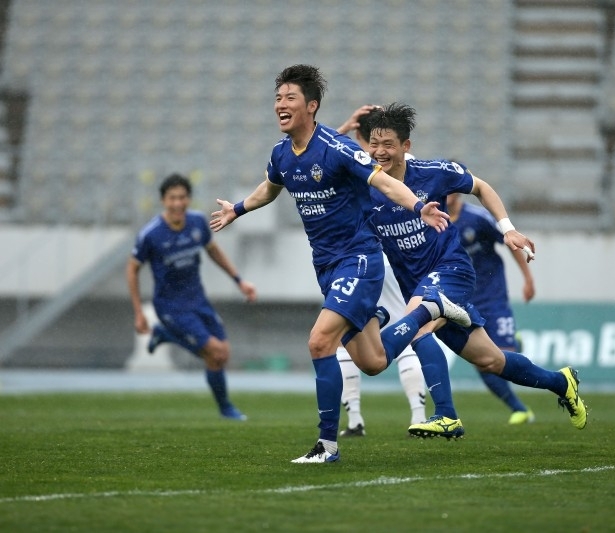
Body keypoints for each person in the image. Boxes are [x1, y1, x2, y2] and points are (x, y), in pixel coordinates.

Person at [209, 65, 473, 464]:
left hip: (360, 260)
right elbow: (269, 188)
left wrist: (419, 206)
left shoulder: (336, 147)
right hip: (328, 265)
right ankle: (428, 313)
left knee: (319, 341)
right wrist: (238, 209)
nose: (281, 104)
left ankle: (326, 446)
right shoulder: (282, 154)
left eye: (290, 97)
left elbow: (383, 181)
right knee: (372, 362)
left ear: (311, 106)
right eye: (278, 98)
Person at [364, 102, 587, 438]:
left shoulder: (434, 172)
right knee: (492, 361)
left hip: (452, 271)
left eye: (388, 145)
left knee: (419, 325)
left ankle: (446, 415)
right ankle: (562, 382)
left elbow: (481, 187)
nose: (379, 152)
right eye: (374, 144)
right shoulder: (366, 188)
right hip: (421, 285)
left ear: (406, 146)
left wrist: (508, 227)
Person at [126, 173, 256, 421]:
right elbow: (132, 269)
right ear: (163, 200)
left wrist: (239, 281)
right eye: (172, 198)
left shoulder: (197, 222)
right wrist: (138, 312)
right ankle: (226, 408)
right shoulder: (151, 234)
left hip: (198, 300)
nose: (178, 203)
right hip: (170, 307)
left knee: (223, 354)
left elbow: (213, 250)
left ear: (188, 199)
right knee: (215, 352)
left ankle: (164, 335)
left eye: (182, 197)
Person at [335, 105, 428, 436]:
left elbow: (322, 155)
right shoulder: (407, 167)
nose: (378, 149)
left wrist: (344, 127)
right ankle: (418, 416)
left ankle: (355, 419)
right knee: (405, 334)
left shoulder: (358, 167)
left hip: (367, 261)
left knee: (342, 335)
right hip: (389, 261)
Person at [448, 191, 537, 424]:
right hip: (460, 299)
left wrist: (527, 278)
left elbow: (511, 243)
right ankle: (519, 409)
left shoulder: (477, 218)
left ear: (457, 191)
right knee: (484, 362)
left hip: (492, 296)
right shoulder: (433, 219)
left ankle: (514, 343)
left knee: (506, 356)